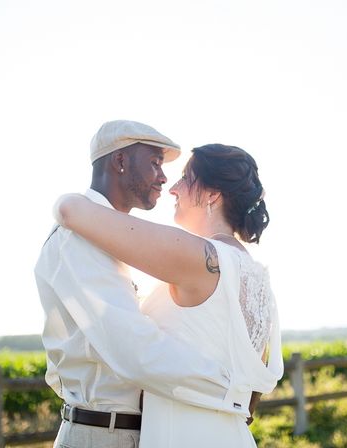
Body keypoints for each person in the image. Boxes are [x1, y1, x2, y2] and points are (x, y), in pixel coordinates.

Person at [35, 121, 255, 448]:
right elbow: (134, 349)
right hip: (103, 435)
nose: (164, 178)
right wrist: (228, 387)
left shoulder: (115, 238)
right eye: (155, 164)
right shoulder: (78, 240)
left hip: (141, 431)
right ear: (120, 162)